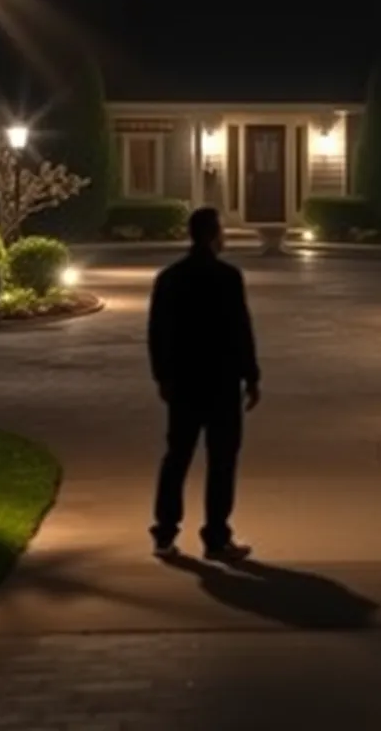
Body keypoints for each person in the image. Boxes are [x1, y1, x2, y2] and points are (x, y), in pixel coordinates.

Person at [147, 207, 261, 561]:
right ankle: (215, 536)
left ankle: (165, 532)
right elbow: (241, 330)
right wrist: (251, 376)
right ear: (214, 235)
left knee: (177, 455)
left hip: (183, 381)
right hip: (221, 380)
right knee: (221, 460)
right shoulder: (228, 277)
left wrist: (162, 376)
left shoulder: (169, 278)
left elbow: (156, 333)